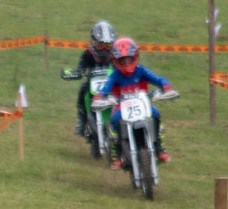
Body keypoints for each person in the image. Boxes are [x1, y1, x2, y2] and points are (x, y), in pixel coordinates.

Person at [97, 37, 173, 166]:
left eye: (129, 59)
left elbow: (157, 79)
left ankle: (159, 149)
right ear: (116, 61)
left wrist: (166, 86)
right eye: (122, 61)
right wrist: (99, 96)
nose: (126, 64)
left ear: (135, 57)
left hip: (143, 104)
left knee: (155, 114)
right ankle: (118, 153)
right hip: (122, 106)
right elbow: (106, 87)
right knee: (115, 119)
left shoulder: (141, 71)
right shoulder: (115, 75)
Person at [62, 20, 116, 136]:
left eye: (107, 45)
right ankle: (82, 120)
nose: (104, 49)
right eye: (100, 45)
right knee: (83, 89)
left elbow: (121, 67)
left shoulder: (115, 55)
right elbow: (81, 67)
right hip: (93, 85)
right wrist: (79, 72)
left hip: (110, 85)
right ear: (93, 42)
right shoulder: (88, 54)